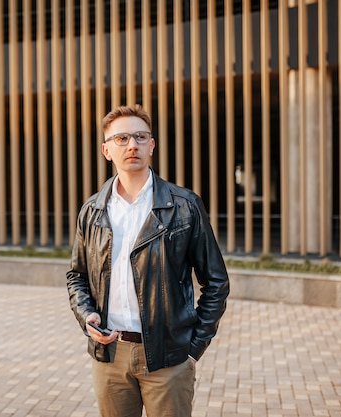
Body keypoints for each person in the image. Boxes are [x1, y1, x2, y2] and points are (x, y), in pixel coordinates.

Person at [66, 104, 230, 417]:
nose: (132, 145)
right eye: (122, 138)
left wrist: (193, 349)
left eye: (140, 137)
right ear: (106, 150)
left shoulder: (184, 205)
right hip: (109, 357)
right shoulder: (92, 211)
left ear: (151, 145)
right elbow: (77, 276)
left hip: (169, 358)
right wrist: (86, 316)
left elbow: (216, 281)